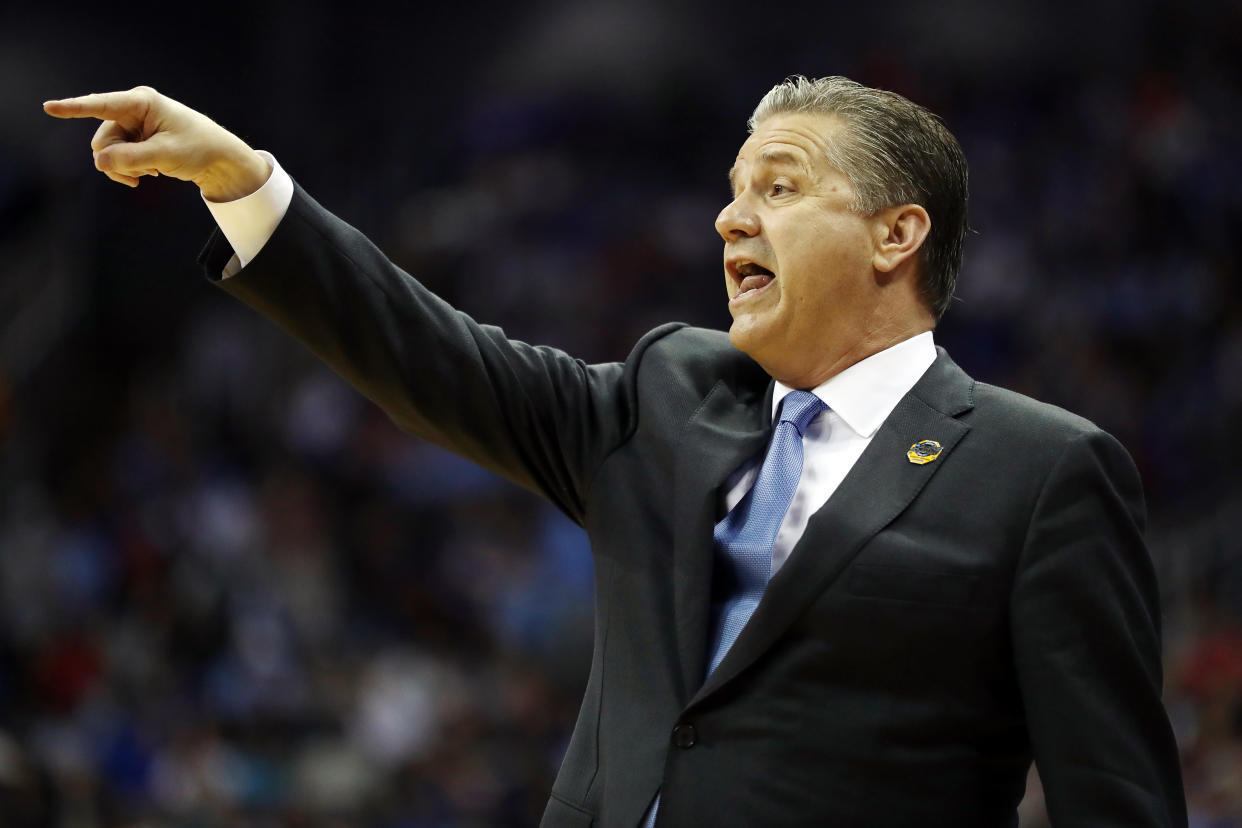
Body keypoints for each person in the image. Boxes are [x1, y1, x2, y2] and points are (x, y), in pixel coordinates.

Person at [45, 76, 1187, 827]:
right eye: (732, 194)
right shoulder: (671, 398)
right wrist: (245, 182)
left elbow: (1117, 803)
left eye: (779, 188)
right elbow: (439, 360)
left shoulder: (1040, 473)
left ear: (898, 233)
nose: (731, 220)